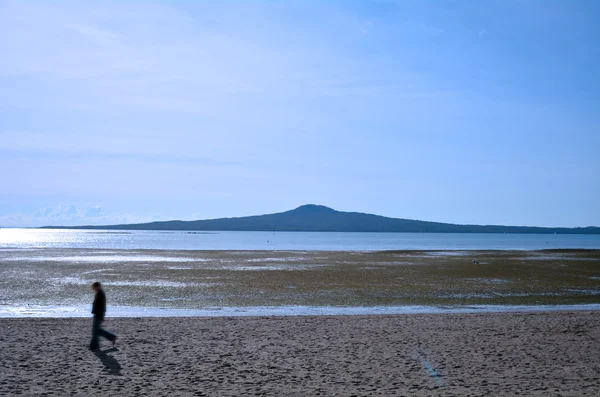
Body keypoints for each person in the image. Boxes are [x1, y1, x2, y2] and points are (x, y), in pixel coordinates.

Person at [89, 282, 117, 351]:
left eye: (94, 287)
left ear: (97, 286)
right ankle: (111, 337)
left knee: (95, 331)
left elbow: (102, 306)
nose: (93, 289)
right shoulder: (99, 293)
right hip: (97, 314)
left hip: (98, 314)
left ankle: (94, 346)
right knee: (97, 330)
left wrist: (102, 316)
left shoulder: (100, 294)